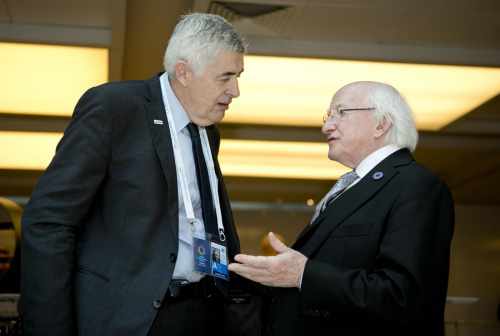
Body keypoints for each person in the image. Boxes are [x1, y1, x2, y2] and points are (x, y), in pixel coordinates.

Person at [21, 13, 257, 336]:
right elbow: (48, 222)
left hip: (204, 314)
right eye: (226, 77)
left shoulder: (208, 134)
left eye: (238, 76)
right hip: (131, 321)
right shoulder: (114, 109)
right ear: (184, 72)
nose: (236, 91)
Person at [229, 81, 455, 336]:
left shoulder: (416, 186)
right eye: (328, 115)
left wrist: (304, 274)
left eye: (341, 112)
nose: (327, 126)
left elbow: (401, 295)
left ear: (381, 124)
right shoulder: (355, 186)